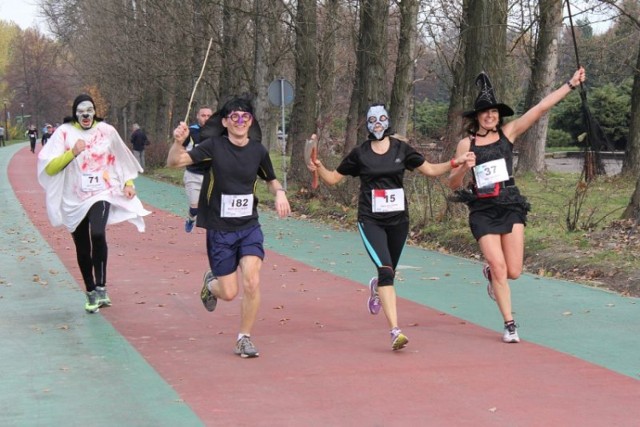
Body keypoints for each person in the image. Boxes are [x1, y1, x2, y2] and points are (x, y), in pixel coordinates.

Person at [307, 104, 475, 351]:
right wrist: (318, 166)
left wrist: (455, 161)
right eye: (372, 119)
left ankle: (378, 287)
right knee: (386, 270)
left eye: (382, 118)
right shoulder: (360, 154)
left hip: (399, 220)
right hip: (370, 220)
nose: (377, 123)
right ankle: (395, 331)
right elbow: (333, 179)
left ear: (388, 122)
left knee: (389, 273)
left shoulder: (401, 150)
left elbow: (429, 170)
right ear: (367, 123)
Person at [448, 67, 586, 343]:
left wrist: (570, 84)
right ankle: (510, 324)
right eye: (485, 112)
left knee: (514, 271)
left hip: (510, 204)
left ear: (499, 115)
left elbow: (540, 108)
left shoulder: (508, 133)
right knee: (499, 267)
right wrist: (464, 168)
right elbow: (452, 184)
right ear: (477, 116)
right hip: (483, 209)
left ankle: (491, 274)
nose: (490, 115)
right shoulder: (467, 143)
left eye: (494, 111)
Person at [167, 96, 290, 358]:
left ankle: (243, 338)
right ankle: (211, 283)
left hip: (248, 226)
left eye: (245, 116)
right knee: (229, 292)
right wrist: (178, 142)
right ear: (225, 121)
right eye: (234, 116)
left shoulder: (258, 151)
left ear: (251, 121)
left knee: (252, 280)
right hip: (220, 229)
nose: (240, 121)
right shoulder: (213, 146)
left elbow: (271, 180)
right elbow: (174, 163)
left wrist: (279, 193)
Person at [37, 94, 151, 313]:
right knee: (82, 246)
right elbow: (49, 168)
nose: (86, 115)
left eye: (89, 110)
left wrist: (127, 182)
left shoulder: (107, 131)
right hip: (73, 198)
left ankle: (101, 287)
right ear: (75, 114)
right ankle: (90, 290)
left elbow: (121, 158)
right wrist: (72, 152)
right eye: (81, 112)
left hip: (102, 192)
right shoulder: (63, 133)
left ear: (94, 111)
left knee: (98, 234)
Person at [182, 105, 213, 232]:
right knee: (195, 208)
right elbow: (180, 146)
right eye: (203, 115)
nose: (206, 118)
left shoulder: (218, 132)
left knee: (213, 210)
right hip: (193, 174)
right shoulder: (191, 131)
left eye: (209, 116)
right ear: (197, 116)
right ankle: (191, 218)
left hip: (211, 176)